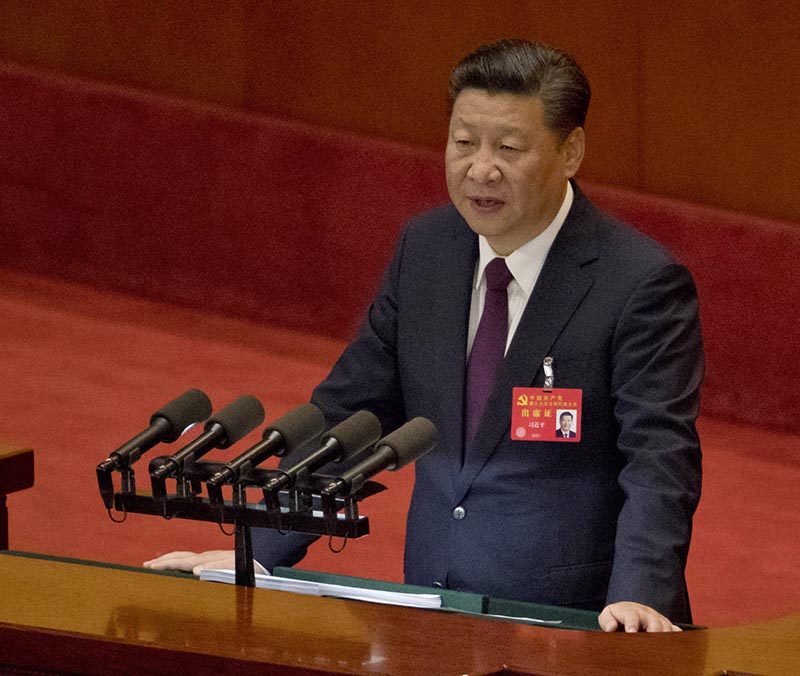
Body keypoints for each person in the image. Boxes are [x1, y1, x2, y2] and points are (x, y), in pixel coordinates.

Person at [145, 39, 704, 633]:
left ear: (570, 151)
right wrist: (257, 549)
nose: (480, 169)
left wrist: (640, 595)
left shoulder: (637, 283)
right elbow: (351, 415)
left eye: (509, 148)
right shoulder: (428, 250)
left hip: (575, 624)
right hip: (434, 615)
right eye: (463, 143)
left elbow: (659, 457)